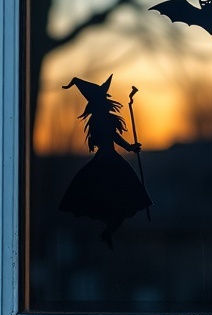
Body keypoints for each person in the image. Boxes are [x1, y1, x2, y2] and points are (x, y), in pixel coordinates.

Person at [59, 75, 152, 248]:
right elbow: (113, 137)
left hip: (106, 156)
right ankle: (107, 230)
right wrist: (129, 147)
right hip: (107, 158)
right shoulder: (102, 120)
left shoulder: (101, 120)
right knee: (111, 194)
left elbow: (112, 138)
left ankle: (108, 231)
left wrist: (130, 147)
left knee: (117, 195)